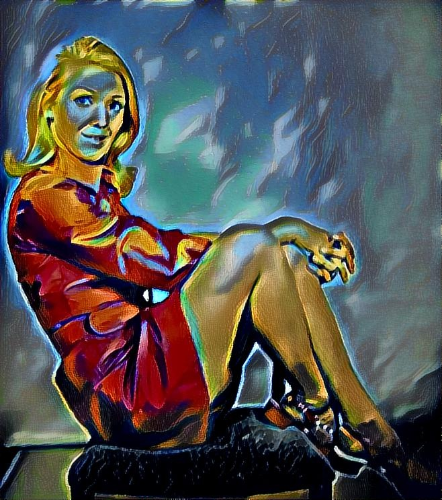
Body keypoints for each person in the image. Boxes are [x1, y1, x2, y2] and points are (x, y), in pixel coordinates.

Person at [5, 36, 400, 466]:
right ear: (49, 108)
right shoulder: (43, 196)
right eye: (84, 101)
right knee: (257, 248)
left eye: (115, 106)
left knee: (284, 261)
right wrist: (284, 230)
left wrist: (279, 243)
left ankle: (362, 423)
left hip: (157, 377)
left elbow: (158, 255)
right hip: (131, 392)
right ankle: (320, 406)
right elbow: (153, 259)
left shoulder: (96, 194)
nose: (102, 119)